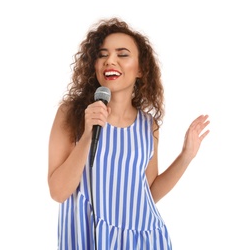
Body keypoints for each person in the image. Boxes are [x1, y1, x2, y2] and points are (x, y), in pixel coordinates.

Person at [48, 17, 210, 250]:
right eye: (102, 54)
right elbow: (59, 192)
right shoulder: (71, 114)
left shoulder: (148, 125)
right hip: (86, 239)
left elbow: (149, 193)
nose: (110, 60)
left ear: (141, 69)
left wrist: (186, 156)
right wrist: (87, 135)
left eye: (122, 54)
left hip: (144, 239)